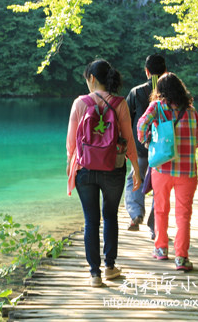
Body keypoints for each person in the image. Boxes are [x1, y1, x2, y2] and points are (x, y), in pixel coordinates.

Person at [67, 59, 140, 287]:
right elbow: (128, 140)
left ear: (92, 79)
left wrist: (70, 168)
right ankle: (109, 267)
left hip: (85, 170)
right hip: (113, 168)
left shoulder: (80, 103)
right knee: (109, 216)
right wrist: (137, 169)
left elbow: (71, 144)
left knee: (91, 220)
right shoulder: (120, 103)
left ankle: (94, 274)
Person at [137, 72, 198, 272]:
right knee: (183, 215)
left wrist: (149, 141)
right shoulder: (191, 112)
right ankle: (181, 258)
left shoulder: (157, 107)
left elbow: (140, 128)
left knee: (161, 209)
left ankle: (161, 249)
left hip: (162, 168)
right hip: (187, 171)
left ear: (160, 91)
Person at [124, 54, 167, 239]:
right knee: (160, 188)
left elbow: (126, 120)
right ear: (165, 71)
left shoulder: (136, 92)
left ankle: (136, 215)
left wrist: (126, 144)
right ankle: (154, 228)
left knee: (135, 180)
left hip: (141, 149)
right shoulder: (171, 93)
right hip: (164, 151)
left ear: (147, 71)